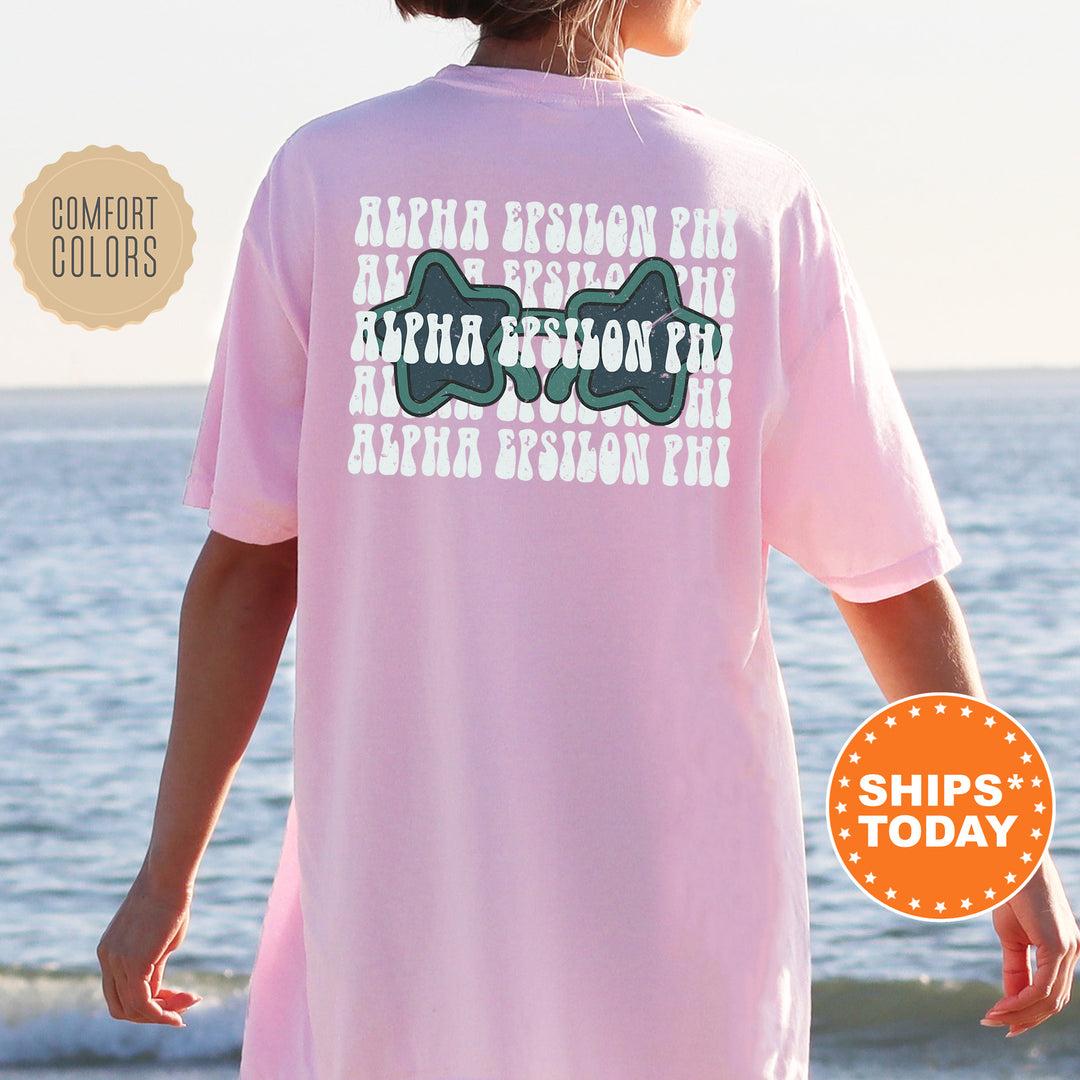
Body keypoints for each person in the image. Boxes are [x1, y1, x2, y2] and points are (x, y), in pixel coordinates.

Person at [97, 1, 1079, 1077]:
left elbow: (250, 564)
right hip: (683, 927)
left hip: (404, 917)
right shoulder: (752, 198)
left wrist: (166, 874)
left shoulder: (327, 176)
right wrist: (1001, 843)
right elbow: (887, 576)